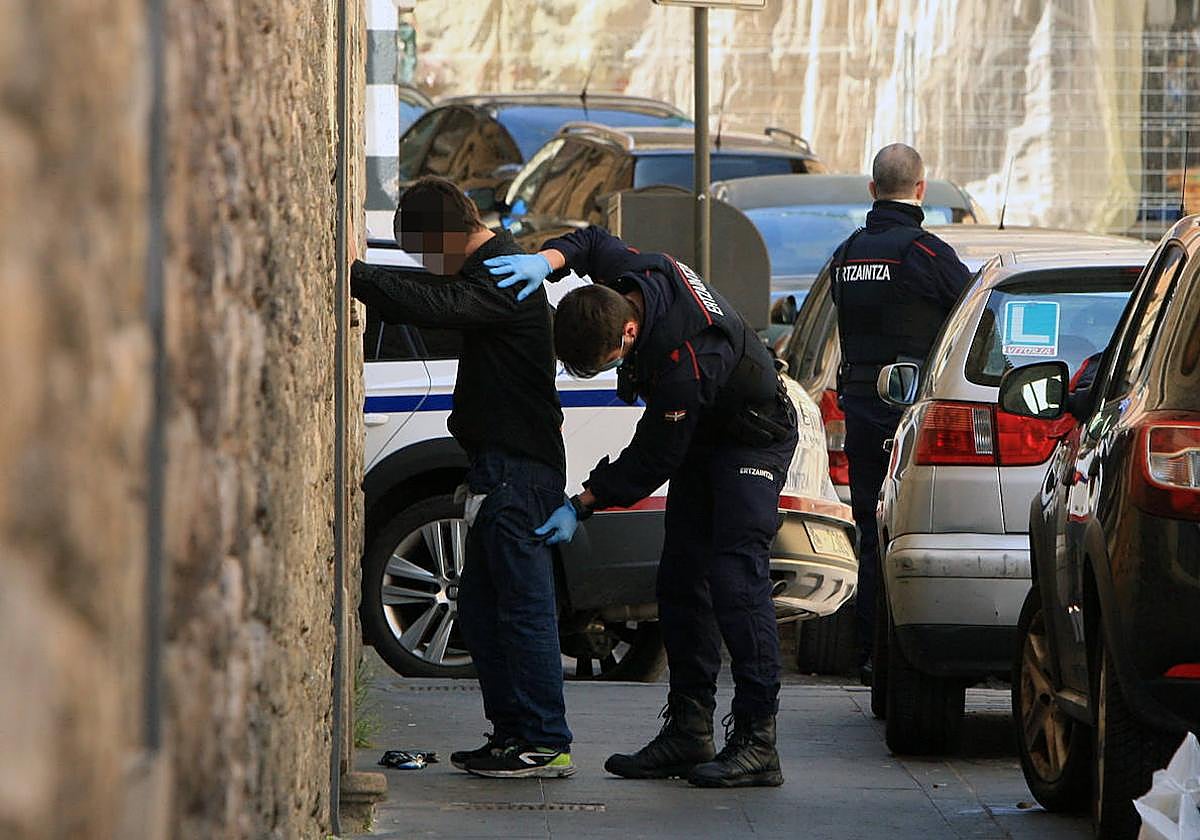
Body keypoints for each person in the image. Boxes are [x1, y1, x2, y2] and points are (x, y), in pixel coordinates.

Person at [485, 227, 798, 788]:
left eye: (610, 362)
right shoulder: (631, 278)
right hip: (703, 437)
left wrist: (581, 504)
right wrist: (545, 262)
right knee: (680, 580)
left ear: (629, 332)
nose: (612, 371)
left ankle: (758, 741)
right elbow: (589, 242)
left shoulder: (686, 360)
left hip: (752, 438)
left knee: (735, 579)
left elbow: (651, 459)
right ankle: (689, 731)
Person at [349, 176, 574, 779]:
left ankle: (543, 740)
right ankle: (513, 734)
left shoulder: (504, 274)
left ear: (444, 238)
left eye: (424, 253)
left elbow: (439, 306)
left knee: (521, 612)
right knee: (483, 611)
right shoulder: (488, 269)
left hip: (519, 472)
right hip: (497, 469)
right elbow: (437, 294)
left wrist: (357, 276)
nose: (428, 266)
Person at [826, 144, 972, 684]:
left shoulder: (846, 254)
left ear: (872, 189)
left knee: (871, 531)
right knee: (914, 534)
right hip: (913, 417)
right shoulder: (927, 254)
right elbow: (973, 318)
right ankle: (909, 647)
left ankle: (870, 653)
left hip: (860, 410)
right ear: (921, 189)